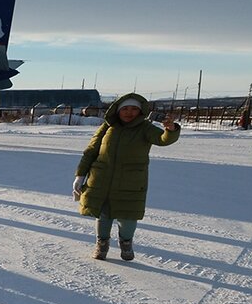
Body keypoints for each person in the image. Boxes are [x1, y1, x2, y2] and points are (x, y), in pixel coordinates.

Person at [74, 93, 180, 261]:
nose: (129, 112)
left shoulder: (145, 128)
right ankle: (102, 244)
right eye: (125, 108)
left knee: (128, 216)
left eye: (134, 109)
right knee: (104, 215)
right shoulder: (107, 126)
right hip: (102, 179)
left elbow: (163, 139)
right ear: (117, 110)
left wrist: (170, 129)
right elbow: (91, 151)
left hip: (130, 182)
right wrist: (80, 175)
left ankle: (126, 242)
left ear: (140, 111)